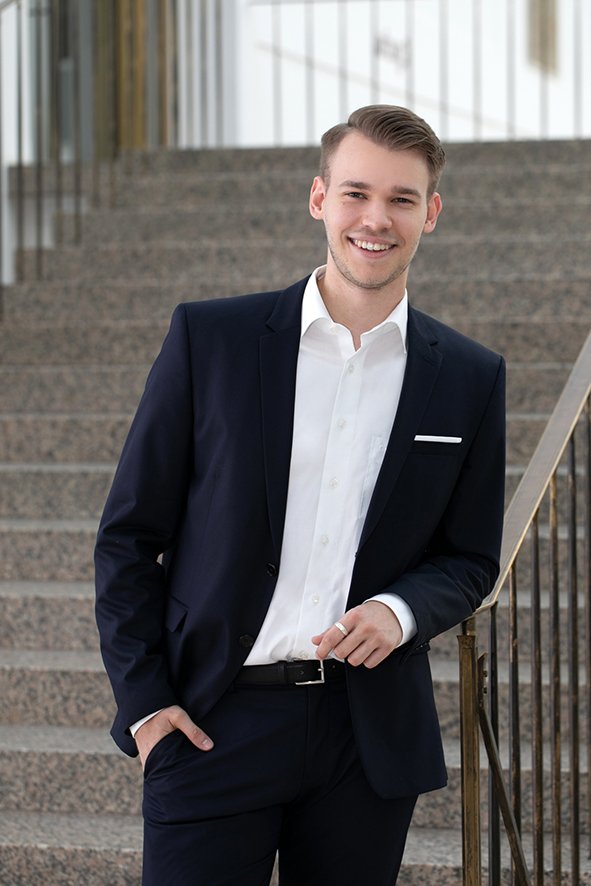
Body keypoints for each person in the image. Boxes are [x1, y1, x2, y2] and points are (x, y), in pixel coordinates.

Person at [95, 105, 505, 885]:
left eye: (401, 199)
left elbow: (469, 557)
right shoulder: (210, 340)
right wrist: (146, 707)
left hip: (367, 737)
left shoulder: (469, 376)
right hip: (214, 720)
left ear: (432, 213)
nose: (375, 219)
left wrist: (400, 608)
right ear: (318, 199)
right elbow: (127, 536)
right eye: (355, 194)